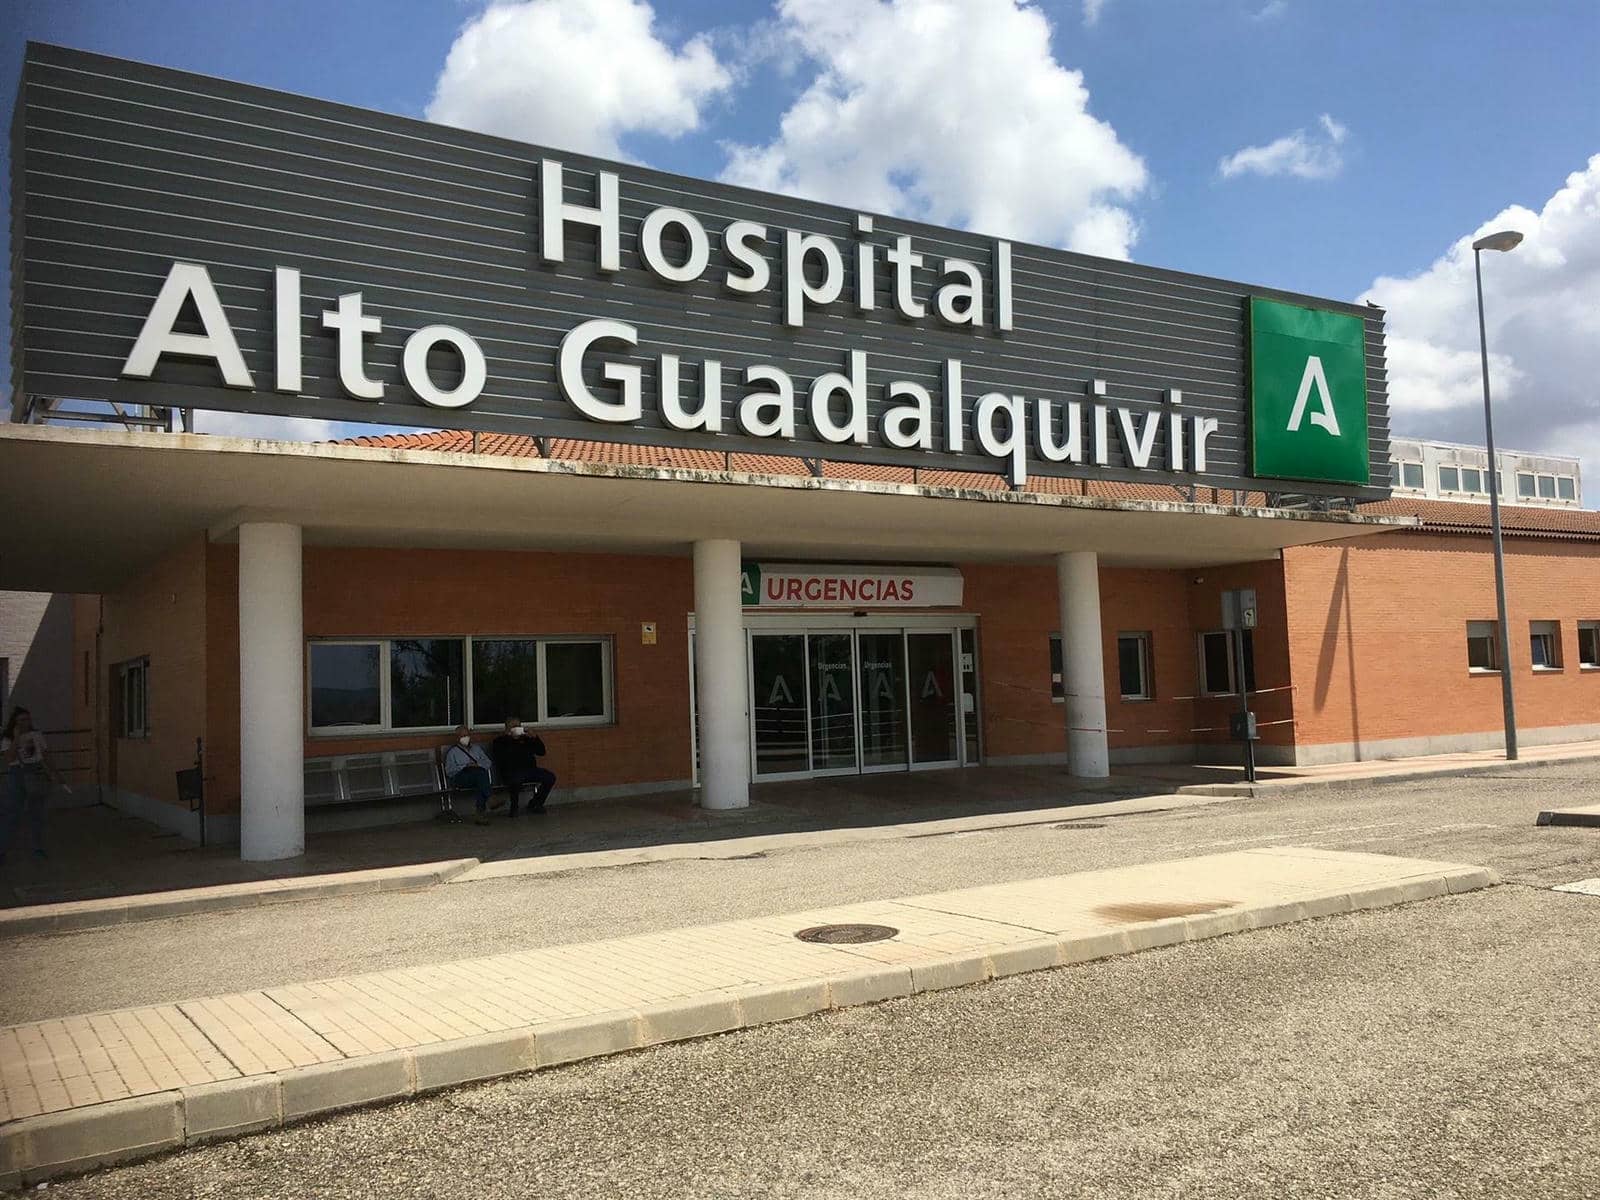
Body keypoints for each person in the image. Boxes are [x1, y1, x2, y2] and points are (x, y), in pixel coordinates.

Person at [1, 707, 63, 862]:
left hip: (36, 773)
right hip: (17, 774)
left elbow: (46, 755)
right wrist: (16, 738)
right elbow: (8, 759)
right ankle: (2, 850)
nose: (26, 723)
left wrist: (55, 773)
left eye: (28, 719)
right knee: (12, 814)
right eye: (22, 720)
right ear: (15, 722)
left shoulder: (36, 735)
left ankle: (37, 848)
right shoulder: (7, 739)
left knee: (36, 813)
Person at [491, 716, 557, 817]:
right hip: (511, 771)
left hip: (530, 770)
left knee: (550, 777)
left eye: (518, 726)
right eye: (513, 726)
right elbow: (502, 757)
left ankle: (536, 803)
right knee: (516, 779)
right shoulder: (500, 741)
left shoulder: (526, 739)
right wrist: (509, 738)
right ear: (507, 728)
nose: (517, 728)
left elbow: (541, 752)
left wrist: (535, 737)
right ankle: (514, 808)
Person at [443, 725, 503, 826]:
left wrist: (477, 764)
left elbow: (488, 762)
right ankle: (489, 800)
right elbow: (449, 771)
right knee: (481, 776)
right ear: (457, 738)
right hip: (461, 777)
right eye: (463, 736)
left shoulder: (476, 749)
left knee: (480, 779)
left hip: (477, 777)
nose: (466, 737)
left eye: (467, 735)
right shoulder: (452, 752)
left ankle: (481, 815)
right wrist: (465, 766)